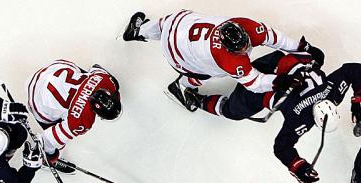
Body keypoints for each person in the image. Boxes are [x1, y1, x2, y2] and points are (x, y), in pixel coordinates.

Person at [189, 51, 361, 183]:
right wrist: (298, 166)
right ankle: (196, 99)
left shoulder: (332, 92)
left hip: (277, 60)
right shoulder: (300, 118)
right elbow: (281, 146)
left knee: (317, 56)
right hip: (263, 82)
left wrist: (358, 100)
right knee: (232, 111)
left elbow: (355, 69)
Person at [120, 10, 323, 111]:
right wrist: (279, 82)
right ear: (228, 47)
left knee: (170, 21)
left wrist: (303, 48)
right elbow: (255, 84)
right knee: (203, 73)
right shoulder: (228, 60)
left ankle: (139, 31)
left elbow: (275, 38)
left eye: (246, 43)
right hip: (176, 54)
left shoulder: (246, 26)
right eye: (240, 49)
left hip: (181, 24)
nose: (246, 49)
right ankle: (179, 86)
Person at [25, 60, 122, 173]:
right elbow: (47, 138)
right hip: (37, 99)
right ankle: (48, 160)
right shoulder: (82, 121)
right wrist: (52, 156)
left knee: (82, 74)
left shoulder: (106, 80)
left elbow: (95, 67)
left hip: (51, 70)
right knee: (57, 141)